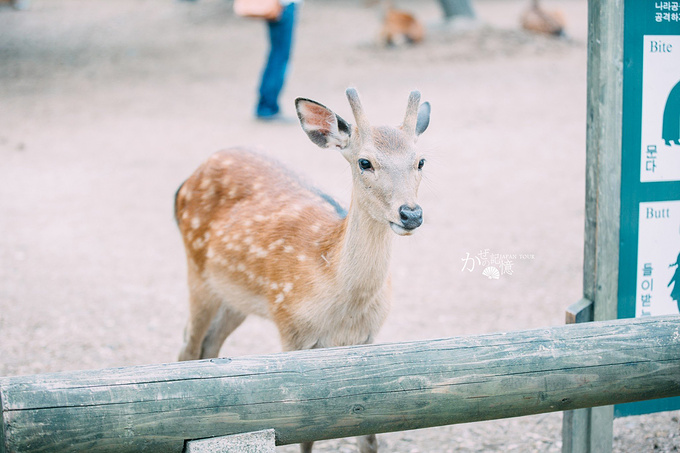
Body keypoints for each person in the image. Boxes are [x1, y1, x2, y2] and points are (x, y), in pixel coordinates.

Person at [256, 0, 300, 121]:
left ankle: (267, 105)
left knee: (277, 55)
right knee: (279, 57)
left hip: (281, 6)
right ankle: (267, 106)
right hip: (284, 5)